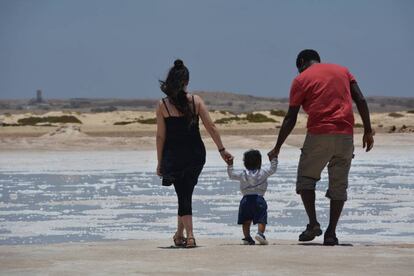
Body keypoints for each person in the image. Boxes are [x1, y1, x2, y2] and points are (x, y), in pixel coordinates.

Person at [268, 49, 375, 245]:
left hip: (319, 134)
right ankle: (331, 233)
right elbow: (360, 99)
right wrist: (368, 130)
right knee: (339, 185)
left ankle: (313, 223)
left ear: (301, 62)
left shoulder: (301, 80)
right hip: (345, 135)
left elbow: (290, 117)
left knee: (306, 179)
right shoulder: (343, 71)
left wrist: (277, 147)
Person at [156, 59, 232, 248]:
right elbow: (211, 127)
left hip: (174, 156)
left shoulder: (162, 105)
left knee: (183, 193)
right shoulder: (195, 101)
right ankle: (180, 234)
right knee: (185, 192)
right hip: (195, 153)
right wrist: (222, 149)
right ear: (186, 81)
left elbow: (160, 136)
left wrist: (160, 162)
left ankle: (190, 236)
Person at [226, 149, 278, 245]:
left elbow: (231, 175)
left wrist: (230, 165)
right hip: (259, 199)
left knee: (246, 220)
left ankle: (247, 237)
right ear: (259, 162)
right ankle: (260, 233)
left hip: (245, 200)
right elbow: (273, 169)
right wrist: (274, 159)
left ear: (245, 163)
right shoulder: (263, 172)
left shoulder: (243, 174)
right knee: (261, 218)